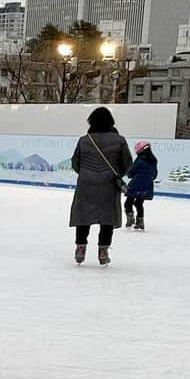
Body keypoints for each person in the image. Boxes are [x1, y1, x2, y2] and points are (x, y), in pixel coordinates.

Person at [69, 106, 132, 266]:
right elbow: (127, 163)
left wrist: (85, 174)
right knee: (107, 218)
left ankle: (80, 248)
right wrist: (117, 175)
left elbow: (75, 163)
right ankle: (103, 251)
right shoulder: (120, 140)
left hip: (86, 184)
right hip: (109, 184)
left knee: (83, 216)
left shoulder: (84, 140)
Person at [124, 142, 158, 231]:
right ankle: (140, 222)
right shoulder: (153, 160)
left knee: (128, 202)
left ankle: (130, 219)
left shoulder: (139, 159)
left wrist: (129, 174)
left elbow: (131, 172)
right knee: (139, 203)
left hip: (136, 183)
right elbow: (154, 174)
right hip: (147, 185)